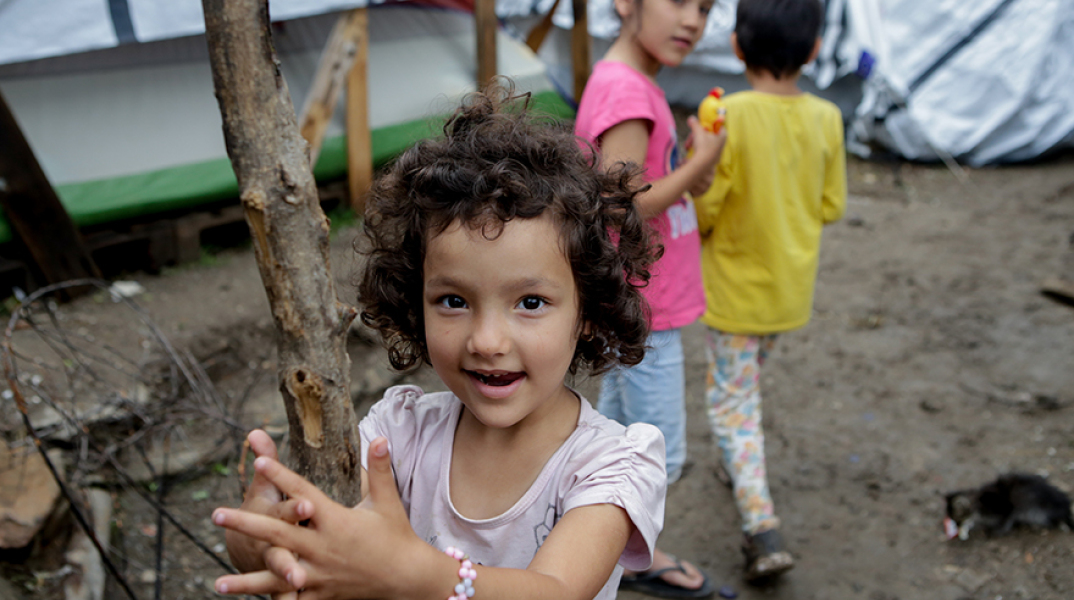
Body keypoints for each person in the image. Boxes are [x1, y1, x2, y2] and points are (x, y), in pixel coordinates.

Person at [210, 84, 671, 600]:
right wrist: (261, 531)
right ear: (415, 298)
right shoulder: (398, 436)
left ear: (587, 311)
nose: (487, 341)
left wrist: (419, 575)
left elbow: (556, 589)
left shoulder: (608, 464)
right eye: (453, 301)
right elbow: (315, 545)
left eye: (531, 303)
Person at [573, 0, 726, 596]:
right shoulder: (629, 90)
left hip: (639, 303)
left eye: (706, 8)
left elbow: (637, 185)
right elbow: (626, 204)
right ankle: (611, 561)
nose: (693, 19)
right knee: (657, 455)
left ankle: (602, 554)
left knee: (612, 439)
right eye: (678, 1)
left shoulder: (628, 83)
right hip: (646, 308)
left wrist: (689, 169)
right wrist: (704, 163)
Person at [693, 0, 847, 583]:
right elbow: (831, 205)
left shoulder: (726, 116)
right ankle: (742, 467)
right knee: (748, 384)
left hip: (734, 293)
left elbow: (705, 206)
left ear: (736, 45)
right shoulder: (828, 118)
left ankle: (761, 526)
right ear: (813, 49)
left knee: (733, 405)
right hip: (789, 293)